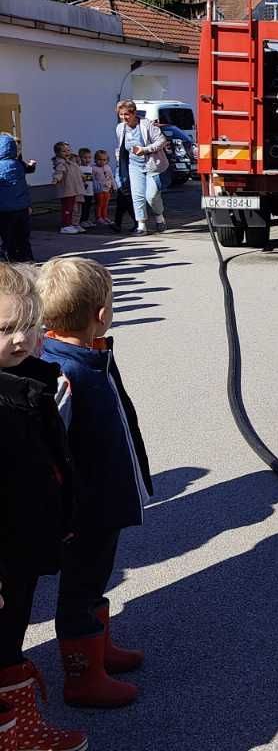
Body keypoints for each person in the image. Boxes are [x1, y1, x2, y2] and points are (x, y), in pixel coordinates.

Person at [39, 257, 150, 707]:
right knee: (81, 584)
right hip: (87, 506)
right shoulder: (66, 371)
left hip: (101, 499)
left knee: (96, 575)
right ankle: (82, 677)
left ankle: (99, 647)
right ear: (101, 312)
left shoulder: (88, 355)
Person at [0, 262, 86, 751]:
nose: (21, 337)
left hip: (23, 542)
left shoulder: (31, 378)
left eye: (31, 323)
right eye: (7, 327)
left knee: (9, 642)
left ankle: (21, 727)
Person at [114, 101, 168, 235]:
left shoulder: (146, 124)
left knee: (151, 196)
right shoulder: (120, 128)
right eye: (121, 115)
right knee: (137, 195)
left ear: (133, 113)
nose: (123, 118)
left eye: (126, 114)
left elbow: (161, 140)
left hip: (151, 165)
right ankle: (141, 225)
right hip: (134, 166)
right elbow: (122, 146)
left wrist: (145, 150)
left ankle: (159, 216)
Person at [0, 133, 36, 262]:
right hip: (22, 208)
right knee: (23, 237)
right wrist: (32, 164)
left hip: (4, 211)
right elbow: (30, 169)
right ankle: (28, 259)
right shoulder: (18, 165)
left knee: (8, 238)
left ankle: (11, 261)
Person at [52, 142, 85, 235]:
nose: (67, 152)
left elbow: (77, 171)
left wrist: (83, 177)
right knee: (68, 208)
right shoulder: (61, 162)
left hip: (74, 189)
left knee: (75, 207)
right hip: (67, 190)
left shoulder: (71, 162)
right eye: (64, 151)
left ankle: (73, 224)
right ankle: (65, 225)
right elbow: (59, 172)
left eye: (68, 150)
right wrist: (56, 179)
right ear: (58, 153)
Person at [91, 149, 114, 228]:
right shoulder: (93, 168)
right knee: (99, 203)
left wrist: (114, 186)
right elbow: (92, 179)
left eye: (104, 160)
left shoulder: (108, 167)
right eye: (99, 159)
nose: (102, 161)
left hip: (107, 189)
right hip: (98, 189)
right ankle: (98, 217)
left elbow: (111, 177)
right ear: (95, 159)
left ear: (107, 160)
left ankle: (104, 216)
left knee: (105, 204)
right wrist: (94, 187)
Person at [77, 149, 96, 230]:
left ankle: (86, 219)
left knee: (88, 206)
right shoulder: (79, 168)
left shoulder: (90, 168)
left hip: (90, 191)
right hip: (83, 192)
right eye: (85, 158)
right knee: (83, 207)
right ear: (80, 158)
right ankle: (82, 220)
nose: (87, 160)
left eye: (89, 157)